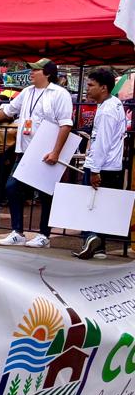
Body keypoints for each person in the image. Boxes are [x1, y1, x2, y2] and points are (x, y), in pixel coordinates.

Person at [0, 58, 75, 248]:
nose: (31, 73)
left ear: (47, 73)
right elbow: (8, 110)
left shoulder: (59, 94)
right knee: (12, 187)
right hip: (24, 151)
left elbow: (66, 124)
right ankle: (17, 232)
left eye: (36, 70)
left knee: (45, 193)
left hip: (45, 152)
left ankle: (44, 235)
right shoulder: (27, 92)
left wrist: (56, 152)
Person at [75, 68, 124, 260]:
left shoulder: (107, 111)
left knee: (91, 205)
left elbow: (102, 142)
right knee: (101, 207)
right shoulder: (113, 104)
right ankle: (99, 247)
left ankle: (92, 239)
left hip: (102, 166)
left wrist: (95, 170)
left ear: (103, 88)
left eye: (91, 85)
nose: (87, 88)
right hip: (109, 164)